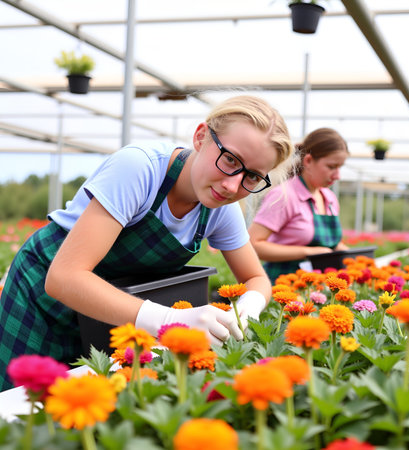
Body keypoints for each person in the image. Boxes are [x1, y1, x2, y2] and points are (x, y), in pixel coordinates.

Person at [0, 95, 293, 391]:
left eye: (252, 177)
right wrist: (171, 320)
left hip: (107, 312)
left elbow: (256, 278)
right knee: (23, 408)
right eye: (230, 159)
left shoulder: (222, 208)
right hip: (43, 298)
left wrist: (245, 311)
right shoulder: (139, 169)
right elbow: (64, 278)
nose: (233, 185)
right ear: (201, 136)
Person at [248, 127, 349, 283]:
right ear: (308, 161)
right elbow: (253, 245)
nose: (337, 175)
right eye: (331, 167)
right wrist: (308, 252)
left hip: (319, 286)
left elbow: (331, 245)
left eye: (340, 167)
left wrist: (351, 256)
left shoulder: (329, 198)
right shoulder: (284, 196)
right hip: (283, 286)